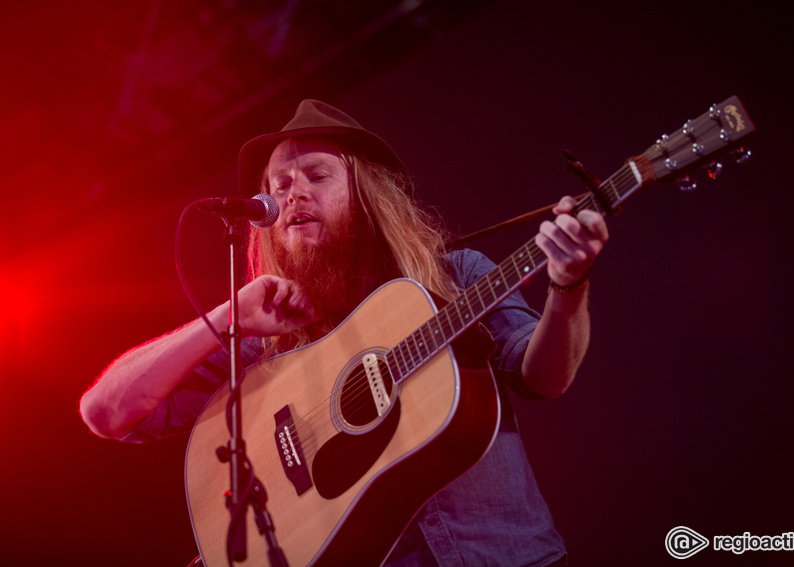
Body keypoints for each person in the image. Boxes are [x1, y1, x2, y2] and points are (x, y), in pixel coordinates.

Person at [80, 99, 608, 566]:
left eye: (317, 175)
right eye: (280, 186)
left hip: (505, 555)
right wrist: (225, 319)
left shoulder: (456, 277)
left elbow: (544, 377)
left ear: (367, 190)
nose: (293, 195)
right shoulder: (261, 340)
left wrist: (569, 285)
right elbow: (107, 411)